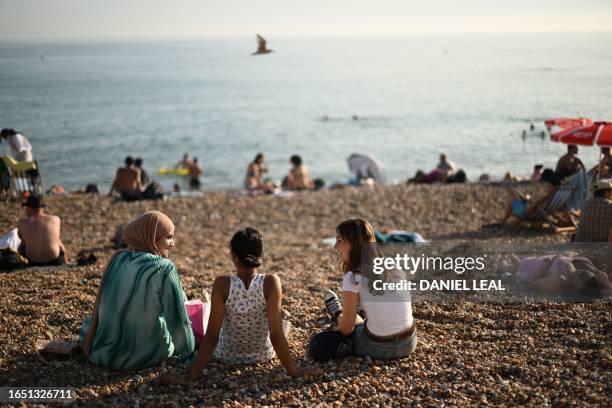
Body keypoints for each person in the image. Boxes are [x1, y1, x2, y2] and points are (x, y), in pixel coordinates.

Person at [162, 227, 319, 384]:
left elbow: (211, 337)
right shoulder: (271, 283)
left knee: (204, 314)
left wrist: (191, 377)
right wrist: (294, 372)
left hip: (226, 355)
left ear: (233, 255)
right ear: (260, 254)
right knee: (281, 323)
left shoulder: (222, 285)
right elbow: (276, 336)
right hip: (262, 355)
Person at [79, 211, 194, 370]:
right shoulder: (164, 267)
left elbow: (101, 309)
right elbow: (178, 321)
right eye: (168, 237)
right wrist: (189, 351)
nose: (172, 243)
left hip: (104, 353)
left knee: (87, 322)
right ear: (151, 238)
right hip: (143, 356)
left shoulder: (117, 258)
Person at [309, 219, 416, 362]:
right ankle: (348, 313)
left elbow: (346, 329)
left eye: (340, 241)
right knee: (364, 315)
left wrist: (338, 329)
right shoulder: (394, 265)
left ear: (354, 244)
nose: (335, 246)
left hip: (377, 347)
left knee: (318, 343)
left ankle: (338, 312)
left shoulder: (353, 277)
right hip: (409, 343)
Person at [17, 194, 67, 266]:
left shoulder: (22, 223)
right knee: (58, 241)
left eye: (26, 207)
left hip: (33, 262)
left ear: (30, 208)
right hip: (55, 260)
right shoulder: (55, 219)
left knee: (22, 244)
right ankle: (66, 263)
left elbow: (21, 238)